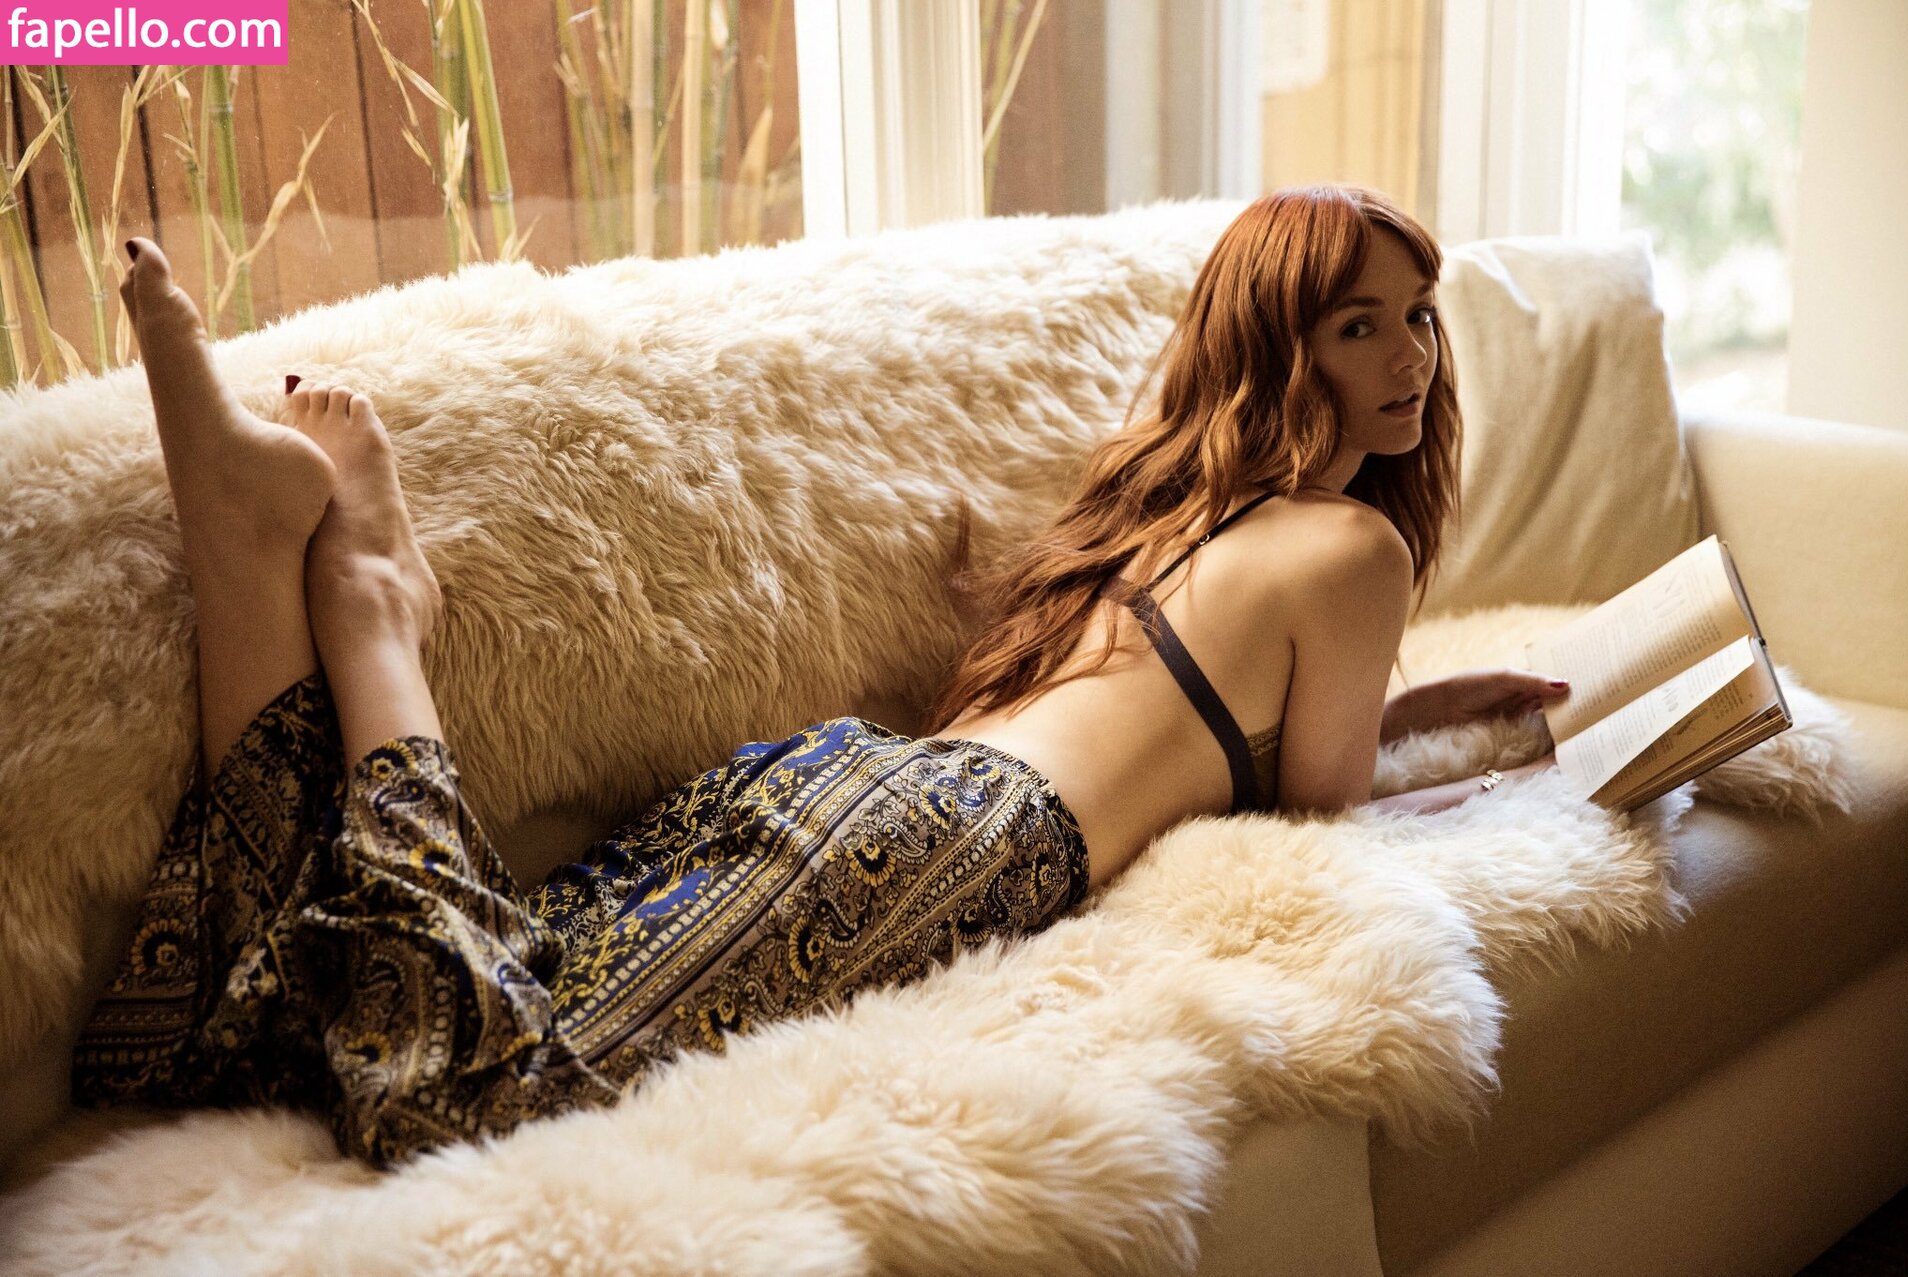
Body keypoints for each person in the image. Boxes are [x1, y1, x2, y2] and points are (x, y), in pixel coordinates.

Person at [73, 184, 1563, 1170]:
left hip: (860, 790)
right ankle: (375, 610)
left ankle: (243, 552)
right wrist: (1463, 775)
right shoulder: (1353, 546)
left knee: (285, 1025)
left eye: (1419, 314)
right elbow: (1318, 811)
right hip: (953, 847)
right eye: (1359, 324)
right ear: (1279, 349)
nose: (1412, 356)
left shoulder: (1183, 502)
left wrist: (1417, 715)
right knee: (469, 1090)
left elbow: (1219, 717)